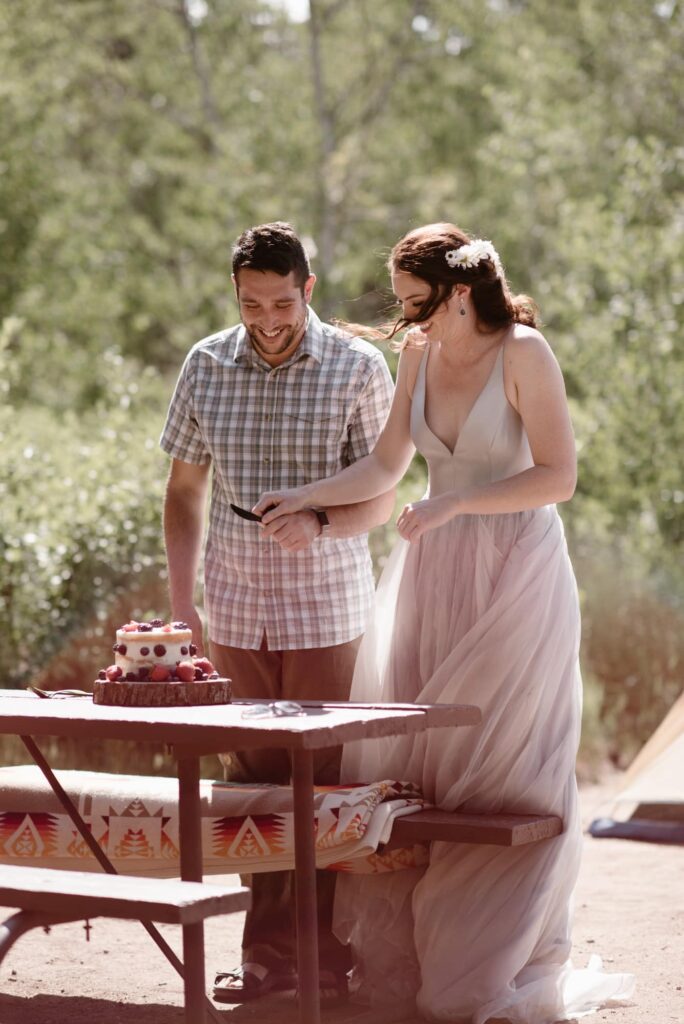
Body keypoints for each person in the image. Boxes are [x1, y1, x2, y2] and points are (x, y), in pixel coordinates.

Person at [254, 224, 635, 1022]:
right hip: (431, 571)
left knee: (500, 768)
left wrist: (457, 501)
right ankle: (413, 956)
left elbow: (558, 476)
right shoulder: (419, 355)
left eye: (417, 305)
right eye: (399, 307)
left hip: (514, 572)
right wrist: (310, 498)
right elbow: (391, 464)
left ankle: (485, 960)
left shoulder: (525, 353)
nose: (406, 323)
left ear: (461, 295)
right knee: (418, 766)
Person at [159, 221, 395, 1004]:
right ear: (235, 294)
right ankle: (263, 955)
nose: (267, 318)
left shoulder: (357, 366)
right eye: (252, 303)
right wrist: (180, 602)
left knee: (320, 780)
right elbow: (184, 493)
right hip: (231, 606)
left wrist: (322, 521)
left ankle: (325, 955)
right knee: (250, 781)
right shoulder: (206, 364)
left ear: (309, 290)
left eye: (283, 302)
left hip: (326, 604)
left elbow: (383, 495)